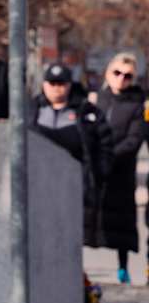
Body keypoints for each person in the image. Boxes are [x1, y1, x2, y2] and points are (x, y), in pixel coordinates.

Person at [32, 63, 114, 269]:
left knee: (70, 239)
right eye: (52, 83)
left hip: (74, 187)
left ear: (70, 85)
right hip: (38, 186)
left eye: (61, 84)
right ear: (44, 85)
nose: (56, 88)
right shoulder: (32, 110)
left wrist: (98, 174)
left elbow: (105, 145)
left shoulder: (86, 112)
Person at [90, 54, 143, 283]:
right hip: (96, 169)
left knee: (121, 223)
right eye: (117, 73)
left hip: (121, 171)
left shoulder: (136, 104)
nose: (121, 79)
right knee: (90, 218)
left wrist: (110, 155)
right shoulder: (97, 100)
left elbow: (134, 139)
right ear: (108, 73)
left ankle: (123, 267)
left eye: (127, 76)